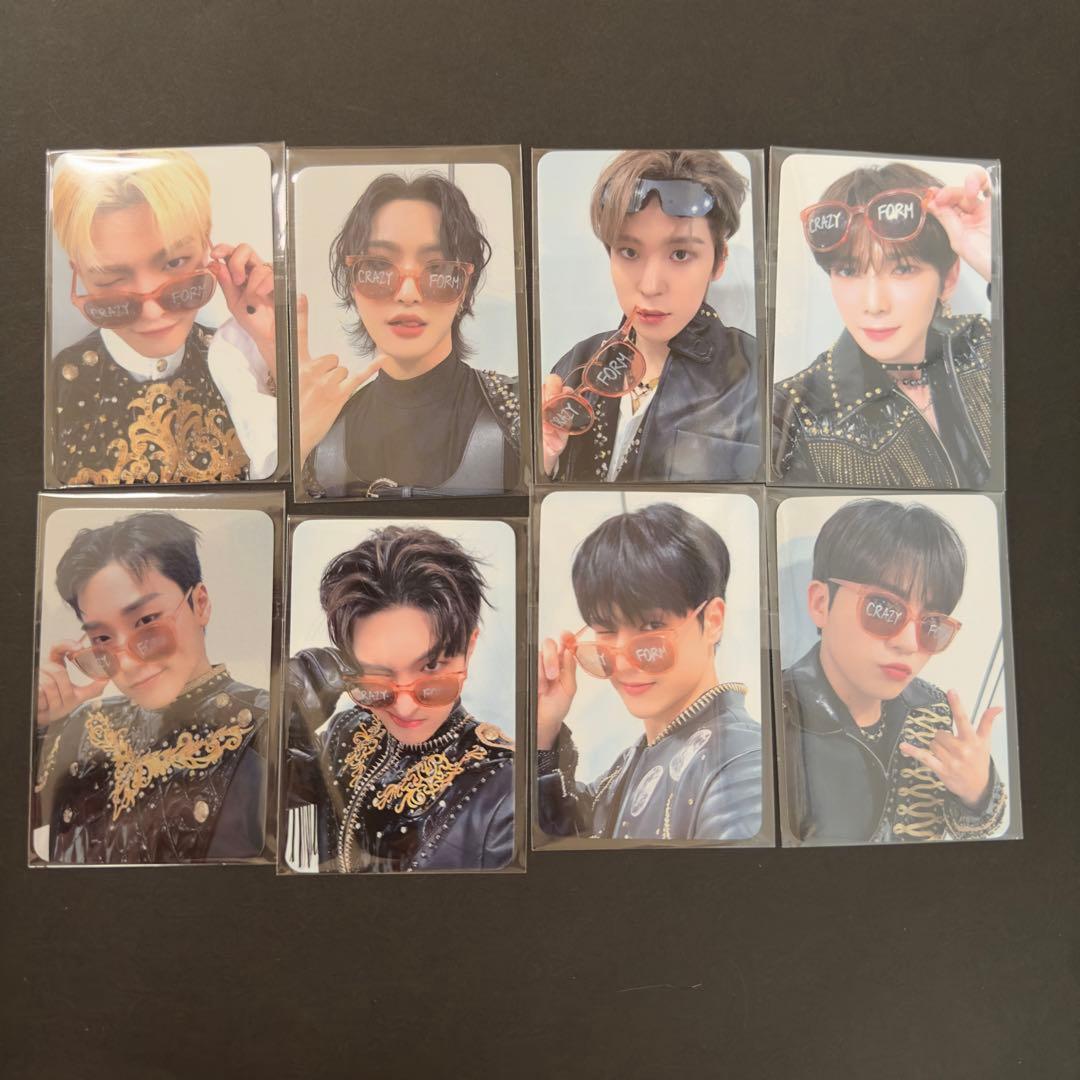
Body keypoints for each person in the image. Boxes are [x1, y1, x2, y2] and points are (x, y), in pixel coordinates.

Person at [32, 512, 269, 864]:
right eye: (102, 639)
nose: (127, 663)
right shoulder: (84, 726)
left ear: (200, 604)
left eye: (146, 621)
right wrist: (36, 723)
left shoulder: (268, 726)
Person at [285, 526, 515, 872]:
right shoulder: (345, 731)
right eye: (377, 674)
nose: (405, 707)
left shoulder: (506, 783)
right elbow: (296, 854)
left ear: (468, 648)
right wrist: (286, 738)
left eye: (431, 666)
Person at [781, 498, 1007, 843]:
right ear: (821, 603)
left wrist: (977, 792)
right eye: (883, 609)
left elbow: (964, 834)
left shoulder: (931, 709)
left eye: (932, 625)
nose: (909, 643)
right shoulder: (777, 716)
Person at [50, 148, 278, 484]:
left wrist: (273, 342)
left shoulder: (244, 365)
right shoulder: (54, 389)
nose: (152, 311)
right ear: (80, 275)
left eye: (174, 263)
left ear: (207, 246)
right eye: (111, 280)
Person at [536, 503, 761, 841]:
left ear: (713, 620)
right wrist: (544, 729)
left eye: (652, 627)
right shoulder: (624, 769)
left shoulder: (742, 767)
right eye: (606, 630)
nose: (625, 663)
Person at [540, 149, 760, 483]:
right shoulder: (580, 362)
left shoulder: (754, 378)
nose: (650, 285)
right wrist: (544, 463)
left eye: (680, 254)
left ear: (719, 261)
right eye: (629, 252)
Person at [298, 173, 520, 498]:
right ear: (352, 283)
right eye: (378, 267)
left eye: (437, 269)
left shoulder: (519, 414)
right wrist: (296, 445)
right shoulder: (321, 427)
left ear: (465, 286)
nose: (407, 293)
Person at [773, 161, 994, 488]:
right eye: (848, 271)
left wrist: (994, 261)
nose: (874, 304)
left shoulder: (984, 344)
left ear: (948, 278)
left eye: (903, 269)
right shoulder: (791, 413)